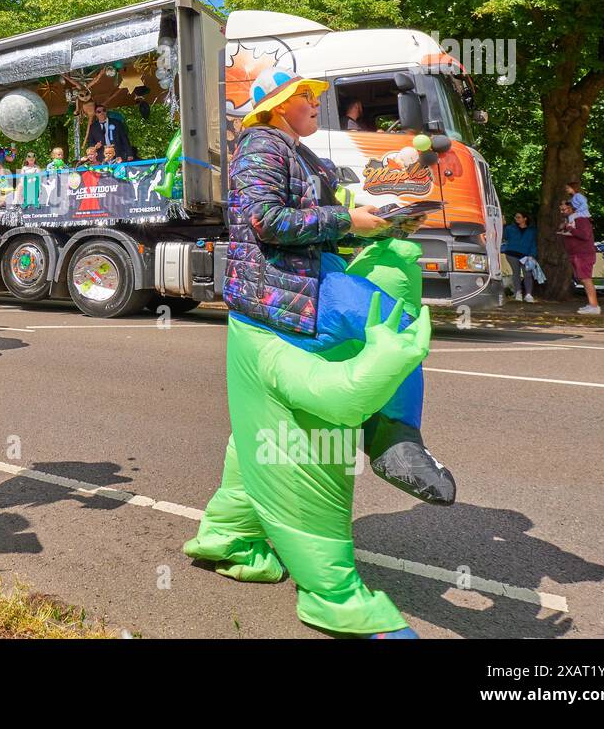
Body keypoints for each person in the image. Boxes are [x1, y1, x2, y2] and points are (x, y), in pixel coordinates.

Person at [184, 70, 440, 638]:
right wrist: (350, 220)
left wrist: (380, 215)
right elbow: (266, 222)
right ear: (276, 108)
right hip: (285, 291)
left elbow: (331, 214)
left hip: (309, 276)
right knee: (390, 323)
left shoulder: (304, 156)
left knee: (255, 445)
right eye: (305, 99)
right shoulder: (259, 147)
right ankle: (396, 439)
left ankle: (227, 537)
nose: (314, 106)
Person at [558, 198, 600, 315]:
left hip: (583, 254)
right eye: (560, 210)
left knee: (586, 279)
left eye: (564, 209)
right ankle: (591, 304)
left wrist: (569, 228)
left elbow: (585, 235)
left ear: (572, 208)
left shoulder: (581, 219)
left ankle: (594, 306)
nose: (562, 212)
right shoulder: (571, 220)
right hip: (576, 254)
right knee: (583, 279)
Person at [501, 210, 538, 302]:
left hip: (526, 255)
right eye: (515, 217)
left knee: (528, 274)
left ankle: (528, 294)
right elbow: (504, 236)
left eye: (519, 217)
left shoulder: (532, 230)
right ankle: (518, 293)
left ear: (525, 219)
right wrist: (503, 225)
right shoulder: (510, 228)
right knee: (516, 274)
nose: (516, 219)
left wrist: (532, 255)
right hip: (512, 254)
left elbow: (533, 243)